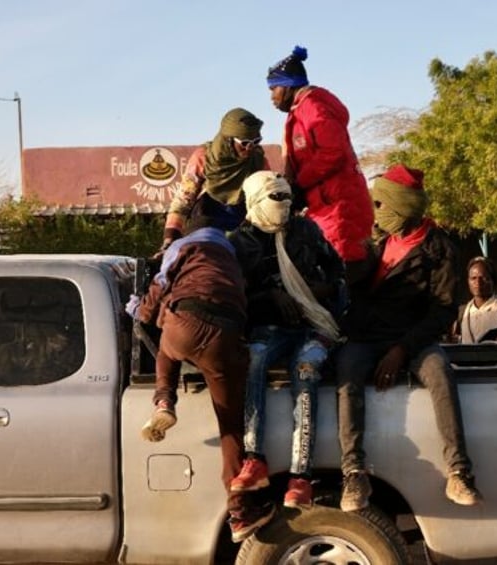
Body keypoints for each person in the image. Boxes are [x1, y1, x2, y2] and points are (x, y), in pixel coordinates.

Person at [335, 164, 483, 512]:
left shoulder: (440, 249)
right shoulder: (376, 239)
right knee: (347, 371)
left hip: (411, 336)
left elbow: (443, 310)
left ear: (401, 206)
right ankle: (354, 472)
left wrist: (402, 349)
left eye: (382, 205)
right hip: (367, 334)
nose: (378, 211)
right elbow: (349, 282)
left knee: (439, 373)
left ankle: (459, 471)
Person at [126, 219, 275, 543]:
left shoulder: (181, 248)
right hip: (226, 336)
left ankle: (164, 400)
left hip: (184, 323)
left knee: (168, 339)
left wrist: (139, 309)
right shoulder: (234, 257)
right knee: (231, 428)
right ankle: (239, 513)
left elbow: (158, 290)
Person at [228, 171, 345, 509]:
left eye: (286, 196)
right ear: (254, 201)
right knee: (254, 360)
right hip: (267, 330)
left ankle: (301, 476)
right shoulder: (240, 243)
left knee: (307, 369)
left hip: (313, 326)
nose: (284, 203)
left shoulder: (305, 230)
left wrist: (318, 292)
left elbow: (337, 271)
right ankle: (254, 458)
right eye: (274, 197)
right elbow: (237, 296)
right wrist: (271, 296)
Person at [266, 46, 374, 284]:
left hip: (339, 209)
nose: (271, 95)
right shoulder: (300, 111)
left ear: (288, 84)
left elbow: (333, 152)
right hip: (326, 207)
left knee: (342, 276)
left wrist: (300, 184)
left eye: (274, 88)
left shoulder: (314, 108)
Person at [159, 108, 269, 254]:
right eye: (244, 143)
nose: (250, 148)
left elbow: (267, 198)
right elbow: (183, 202)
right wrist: (170, 238)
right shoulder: (203, 158)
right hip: (204, 225)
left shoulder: (259, 161)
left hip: (244, 227)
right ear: (228, 140)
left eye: (256, 142)